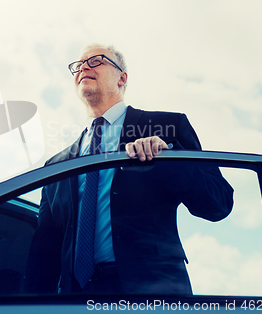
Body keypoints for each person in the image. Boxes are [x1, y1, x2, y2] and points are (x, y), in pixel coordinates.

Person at [24, 43, 234, 295]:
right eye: (78, 65)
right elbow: (44, 252)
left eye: (96, 61)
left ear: (122, 78)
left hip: (152, 292)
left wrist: (170, 157)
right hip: (77, 299)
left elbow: (218, 204)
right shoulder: (57, 165)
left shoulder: (167, 126)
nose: (83, 68)